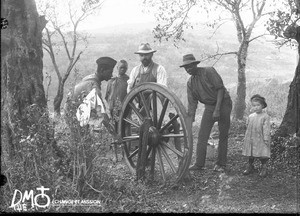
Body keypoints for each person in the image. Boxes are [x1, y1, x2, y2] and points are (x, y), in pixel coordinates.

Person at [180, 54, 232, 172]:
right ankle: (199, 164)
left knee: (223, 134)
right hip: (209, 107)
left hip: (223, 103)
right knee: (202, 136)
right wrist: (190, 119)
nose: (188, 70)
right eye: (185, 68)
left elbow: (220, 89)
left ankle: (221, 164)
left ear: (195, 64)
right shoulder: (190, 83)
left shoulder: (208, 71)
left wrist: (217, 109)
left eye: (190, 66)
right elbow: (192, 103)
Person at [242, 94, 271, 177]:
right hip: (251, 137)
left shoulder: (265, 116)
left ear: (262, 106)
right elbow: (247, 126)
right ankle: (250, 166)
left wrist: (265, 138)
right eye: (254, 105)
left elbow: (266, 129)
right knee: (251, 153)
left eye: (258, 105)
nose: (256, 107)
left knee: (262, 153)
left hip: (260, 138)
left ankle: (264, 167)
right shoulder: (251, 116)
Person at [105, 59, 129, 131]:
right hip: (113, 109)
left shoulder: (128, 81)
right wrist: (110, 106)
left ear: (127, 69)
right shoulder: (111, 81)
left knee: (124, 127)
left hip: (125, 109)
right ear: (117, 67)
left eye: (124, 68)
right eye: (121, 67)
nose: (122, 69)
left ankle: (125, 142)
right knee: (114, 127)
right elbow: (107, 95)